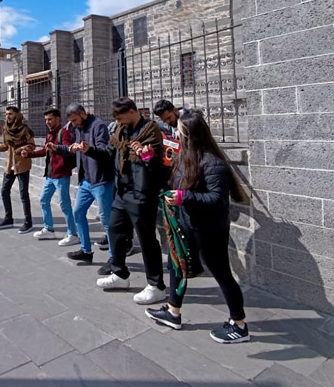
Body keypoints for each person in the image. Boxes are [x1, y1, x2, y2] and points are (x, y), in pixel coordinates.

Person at [145, 107, 250, 343]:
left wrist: (184, 198)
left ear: (190, 134)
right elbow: (170, 175)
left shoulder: (214, 164)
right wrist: (148, 159)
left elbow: (216, 200)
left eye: (180, 132)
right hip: (187, 223)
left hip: (210, 228)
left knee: (221, 273)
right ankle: (173, 312)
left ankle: (239, 324)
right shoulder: (185, 157)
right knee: (176, 265)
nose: (176, 135)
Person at [95, 98, 168, 305]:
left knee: (146, 240)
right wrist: (88, 150)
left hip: (142, 193)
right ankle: (120, 275)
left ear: (132, 112)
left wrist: (146, 155)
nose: (118, 122)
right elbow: (110, 152)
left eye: (120, 117)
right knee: (115, 230)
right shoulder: (121, 131)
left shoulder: (151, 130)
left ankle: (156, 286)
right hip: (122, 191)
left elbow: (158, 166)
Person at [50, 103, 114, 266]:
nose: (74, 124)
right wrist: (57, 148)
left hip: (101, 180)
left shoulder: (98, 125)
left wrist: (88, 149)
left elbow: (104, 152)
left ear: (82, 113)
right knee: (78, 212)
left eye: (75, 120)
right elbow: (74, 148)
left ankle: (114, 258)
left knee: (107, 221)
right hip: (86, 181)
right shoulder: (78, 128)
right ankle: (86, 251)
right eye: (72, 121)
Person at [153, 99, 203, 277]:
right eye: (164, 120)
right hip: (176, 173)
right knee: (178, 223)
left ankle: (193, 264)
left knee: (187, 224)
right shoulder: (165, 126)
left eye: (169, 118)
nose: (168, 122)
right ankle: (182, 261)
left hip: (191, 175)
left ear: (175, 110)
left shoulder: (191, 120)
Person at [25, 108, 79, 245]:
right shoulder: (49, 134)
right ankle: (48, 228)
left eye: (50, 119)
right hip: (50, 175)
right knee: (43, 199)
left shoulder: (64, 132)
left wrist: (56, 147)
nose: (47, 122)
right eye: (46, 120)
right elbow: (45, 150)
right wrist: (29, 154)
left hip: (61, 174)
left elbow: (68, 149)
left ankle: (72, 234)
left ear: (57, 118)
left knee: (65, 205)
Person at [0, 106, 36, 233]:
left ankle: (28, 222)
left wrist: (22, 149)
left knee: (23, 194)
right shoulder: (6, 129)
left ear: (16, 115)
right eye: (6, 114)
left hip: (22, 164)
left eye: (10, 114)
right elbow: (5, 146)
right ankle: (8, 218)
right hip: (9, 165)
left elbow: (32, 145)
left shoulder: (24, 129)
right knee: (4, 191)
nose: (8, 116)